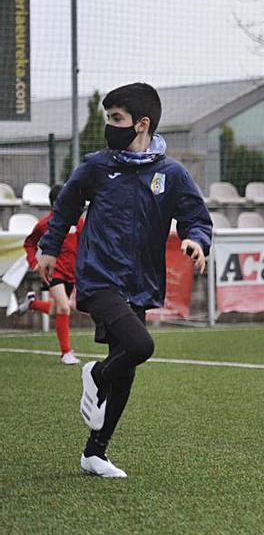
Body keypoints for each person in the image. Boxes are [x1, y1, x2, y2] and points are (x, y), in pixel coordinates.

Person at [37, 82, 212, 477]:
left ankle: (94, 453)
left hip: (141, 282)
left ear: (142, 124)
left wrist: (197, 241)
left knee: (127, 365)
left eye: (116, 118)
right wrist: (49, 248)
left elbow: (196, 218)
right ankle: (94, 374)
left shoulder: (171, 173)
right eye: (108, 118)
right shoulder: (98, 165)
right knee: (139, 345)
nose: (109, 126)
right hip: (99, 276)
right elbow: (65, 206)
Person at [13, 183, 83, 365]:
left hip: (71, 273)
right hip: (53, 272)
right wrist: (34, 263)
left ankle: (32, 303)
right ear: (54, 204)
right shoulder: (45, 224)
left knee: (56, 309)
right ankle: (66, 353)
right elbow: (29, 243)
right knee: (65, 307)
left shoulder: (78, 222)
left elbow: (86, 244)